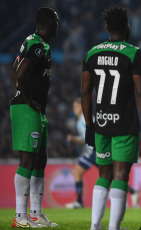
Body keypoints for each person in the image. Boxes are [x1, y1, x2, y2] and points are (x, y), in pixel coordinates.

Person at [81, 5, 141, 230]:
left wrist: (89, 125)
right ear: (127, 26)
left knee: (103, 173)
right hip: (125, 124)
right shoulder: (134, 53)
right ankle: (114, 228)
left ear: (106, 28)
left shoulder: (91, 53)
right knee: (121, 175)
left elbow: (85, 92)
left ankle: (95, 226)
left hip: (101, 123)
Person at [10, 7, 59, 228]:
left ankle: (36, 213)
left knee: (40, 160)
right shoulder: (37, 45)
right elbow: (20, 73)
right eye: (56, 21)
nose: (58, 25)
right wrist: (28, 100)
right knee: (28, 160)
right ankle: (20, 216)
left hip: (36, 110)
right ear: (49, 22)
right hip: (27, 108)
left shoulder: (32, 42)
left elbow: (15, 67)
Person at [65, 98, 141, 209]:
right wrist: (74, 139)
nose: (74, 109)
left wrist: (102, 147)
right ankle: (133, 192)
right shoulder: (80, 121)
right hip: (94, 150)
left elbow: (99, 132)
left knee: (77, 172)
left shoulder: (88, 118)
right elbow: (85, 138)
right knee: (108, 176)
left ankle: (79, 202)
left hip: (95, 150)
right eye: (74, 107)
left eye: (76, 107)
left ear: (82, 107)